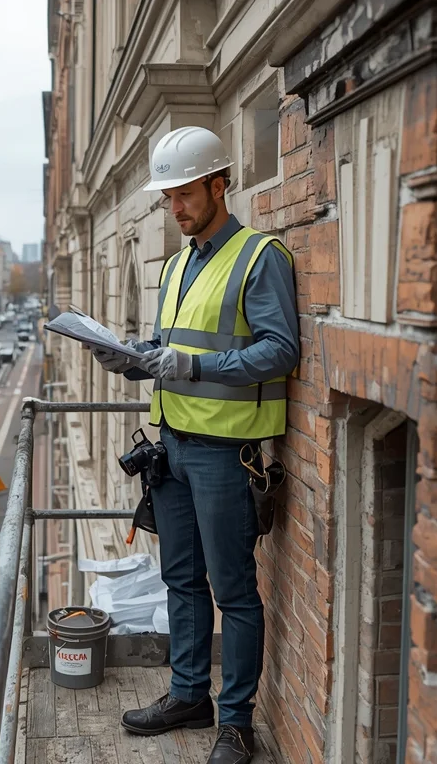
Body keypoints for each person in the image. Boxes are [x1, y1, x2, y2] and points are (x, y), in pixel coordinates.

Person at [91, 126, 299, 764]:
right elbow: (169, 349)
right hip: (173, 448)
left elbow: (280, 350)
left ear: (218, 185)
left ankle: (236, 724)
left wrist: (192, 366)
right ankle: (188, 696)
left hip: (224, 452)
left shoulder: (259, 257)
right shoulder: (178, 264)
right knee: (180, 580)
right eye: (167, 198)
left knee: (233, 591)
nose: (174, 207)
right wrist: (133, 358)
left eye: (184, 194)